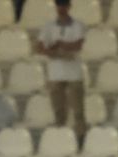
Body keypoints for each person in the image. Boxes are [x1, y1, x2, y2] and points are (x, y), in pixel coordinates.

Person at [36, 0, 87, 139]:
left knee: (78, 110)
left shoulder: (78, 24)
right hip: (55, 73)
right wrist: (55, 50)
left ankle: (81, 138)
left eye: (64, 4)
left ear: (69, 6)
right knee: (58, 110)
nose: (61, 8)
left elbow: (78, 45)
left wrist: (58, 45)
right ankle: (61, 138)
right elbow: (40, 47)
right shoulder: (48, 26)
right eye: (59, 5)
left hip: (74, 73)